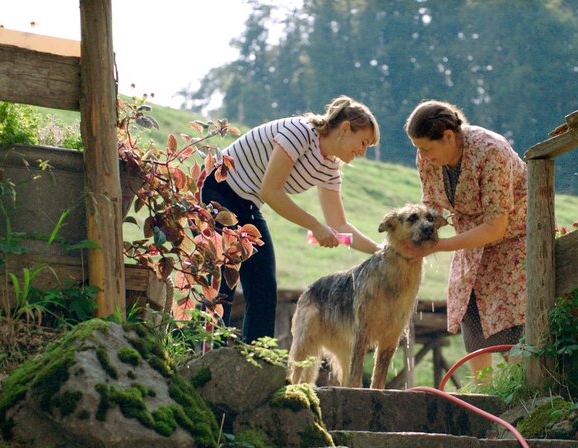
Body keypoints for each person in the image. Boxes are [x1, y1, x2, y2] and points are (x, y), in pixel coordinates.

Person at [198, 95, 381, 343]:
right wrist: (315, 226)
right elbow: (270, 191)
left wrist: (379, 251)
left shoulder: (330, 169)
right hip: (216, 189)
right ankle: (205, 353)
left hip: (246, 204)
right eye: (363, 142)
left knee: (263, 286)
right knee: (224, 278)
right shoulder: (300, 132)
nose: (362, 152)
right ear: (345, 128)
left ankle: (257, 362)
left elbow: (339, 225)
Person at [404, 99, 528, 383]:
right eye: (418, 149)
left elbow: (496, 226)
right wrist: (415, 237)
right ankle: (486, 395)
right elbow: (433, 206)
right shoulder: (428, 158)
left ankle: (524, 390)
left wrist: (441, 246)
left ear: (449, 136)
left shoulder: (490, 151)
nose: (422, 155)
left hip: (512, 242)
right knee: (472, 315)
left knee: (513, 322)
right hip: (470, 242)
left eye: (426, 148)